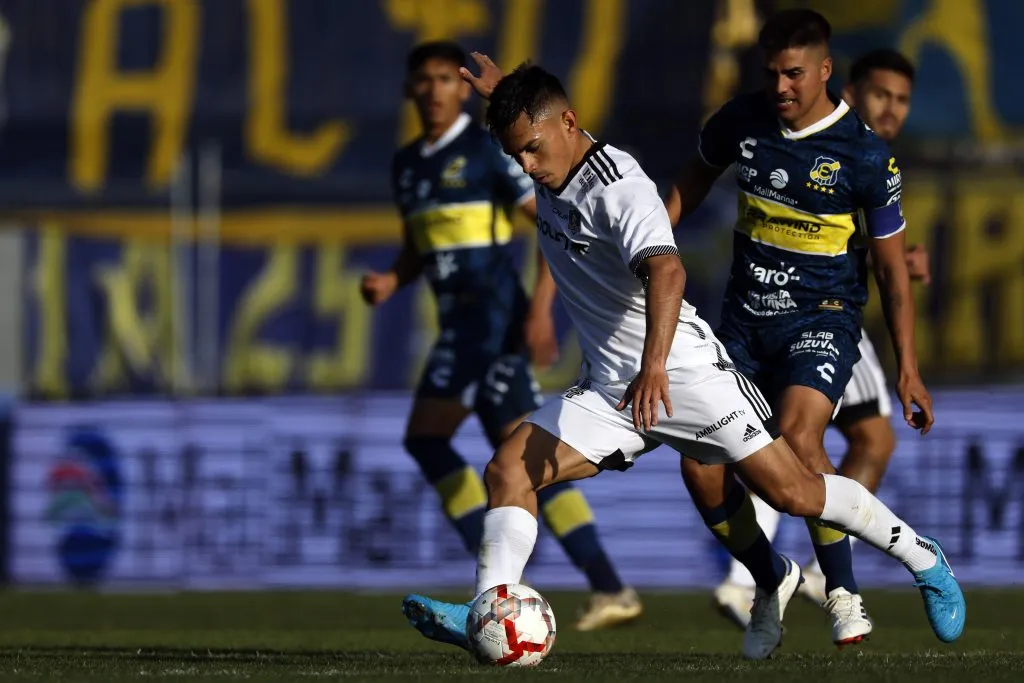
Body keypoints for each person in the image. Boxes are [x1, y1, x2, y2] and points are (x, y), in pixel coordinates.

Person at [401, 55, 964, 662]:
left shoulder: (620, 188)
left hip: (683, 373)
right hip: (609, 389)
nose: (528, 167)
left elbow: (668, 270)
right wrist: (503, 98)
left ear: (569, 122)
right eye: (517, 155)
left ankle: (922, 557)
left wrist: (655, 365)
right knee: (508, 470)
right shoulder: (544, 153)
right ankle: (490, 607)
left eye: (534, 149)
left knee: (794, 492)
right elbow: (529, 120)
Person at [664, 10, 949, 647]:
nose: (782, 87)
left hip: (822, 319)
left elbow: (892, 272)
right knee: (699, 468)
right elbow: (692, 179)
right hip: (743, 321)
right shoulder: (742, 119)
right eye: (773, 74)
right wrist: (649, 244)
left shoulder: (866, 155)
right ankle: (770, 578)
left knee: (801, 440)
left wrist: (908, 368)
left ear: (825, 71)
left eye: (794, 73)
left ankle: (844, 593)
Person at [359, 41, 641, 632]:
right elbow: (422, 245)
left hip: (493, 323)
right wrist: (393, 277)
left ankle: (503, 581)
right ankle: (605, 586)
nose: (435, 90)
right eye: (425, 81)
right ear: (411, 90)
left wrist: (540, 311)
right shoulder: (408, 164)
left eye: (445, 79)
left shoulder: (490, 151)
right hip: (459, 325)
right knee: (521, 458)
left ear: (461, 89)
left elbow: (548, 224)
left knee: (436, 439)